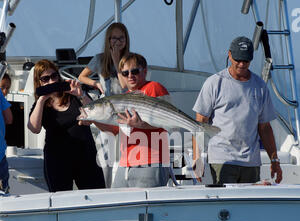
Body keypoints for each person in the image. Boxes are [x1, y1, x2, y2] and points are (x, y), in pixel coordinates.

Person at [192, 36, 282, 185]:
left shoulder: (260, 86)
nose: (241, 64)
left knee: (249, 206)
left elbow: (265, 128)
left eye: (245, 61)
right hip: (222, 160)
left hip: (251, 162)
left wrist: (274, 160)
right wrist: (197, 157)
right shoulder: (214, 83)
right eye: (237, 59)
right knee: (226, 207)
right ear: (229, 55)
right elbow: (200, 122)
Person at [80, 52, 171, 188]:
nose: (130, 76)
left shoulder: (154, 87)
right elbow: (114, 130)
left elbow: (168, 122)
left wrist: (141, 125)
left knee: (146, 209)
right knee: (118, 206)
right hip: (125, 165)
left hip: (151, 162)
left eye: (134, 71)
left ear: (145, 71)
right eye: (125, 73)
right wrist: (94, 120)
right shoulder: (125, 97)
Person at [28, 59, 105, 192]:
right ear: (39, 82)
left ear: (58, 76)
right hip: (57, 161)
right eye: (45, 79)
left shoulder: (74, 97)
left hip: (85, 157)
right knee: (61, 201)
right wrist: (41, 99)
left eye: (54, 76)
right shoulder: (41, 105)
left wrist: (81, 95)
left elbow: (94, 115)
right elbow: (34, 128)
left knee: (97, 197)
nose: (51, 81)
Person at [78, 22, 130, 187]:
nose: (117, 41)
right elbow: (82, 77)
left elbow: (125, 86)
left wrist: (116, 61)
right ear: (108, 40)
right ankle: (106, 189)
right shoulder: (99, 59)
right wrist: (95, 84)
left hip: (126, 113)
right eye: (114, 38)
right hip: (107, 114)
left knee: (124, 156)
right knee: (106, 158)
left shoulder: (130, 60)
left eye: (121, 38)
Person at [0, 73, 13, 193]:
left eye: (7, 88)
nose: (4, 91)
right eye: (2, 87)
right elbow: (9, 119)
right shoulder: (1, 98)